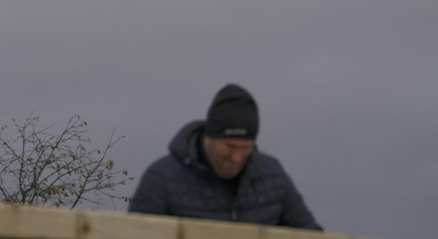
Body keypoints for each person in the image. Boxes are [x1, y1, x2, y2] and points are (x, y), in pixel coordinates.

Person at [128, 83, 323, 230]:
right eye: (230, 146)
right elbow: (130, 234)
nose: (237, 157)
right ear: (209, 137)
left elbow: (309, 233)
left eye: (245, 148)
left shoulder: (273, 176)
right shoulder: (162, 179)